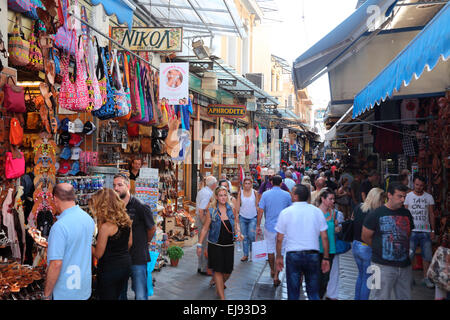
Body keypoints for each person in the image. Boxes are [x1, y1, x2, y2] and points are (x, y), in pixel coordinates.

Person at [275, 184, 330, 300]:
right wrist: (326, 257)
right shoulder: (317, 212)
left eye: (292, 192)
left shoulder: (286, 212)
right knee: (313, 291)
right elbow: (324, 237)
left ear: (295, 196)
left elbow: (279, 238)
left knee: (293, 292)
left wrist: (279, 256)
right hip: (312, 254)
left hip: (293, 255)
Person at [362, 183, 414, 300]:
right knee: (379, 296)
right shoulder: (376, 214)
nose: (402, 200)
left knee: (405, 296)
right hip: (381, 265)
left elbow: (408, 234)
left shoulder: (406, 213)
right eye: (399, 196)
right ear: (389, 195)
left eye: (404, 197)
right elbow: (365, 236)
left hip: (404, 266)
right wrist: (380, 248)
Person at [44, 183, 95, 300]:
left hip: (65, 291)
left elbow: (56, 264)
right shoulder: (88, 219)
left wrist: (46, 295)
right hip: (84, 288)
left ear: (55, 199)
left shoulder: (59, 227)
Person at [113, 173, 156, 300]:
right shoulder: (115, 207)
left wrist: (145, 242)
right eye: (114, 185)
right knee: (120, 293)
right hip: (120, 257)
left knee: (140, 293)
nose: (116, 188)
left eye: (120, 185)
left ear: (128, 186)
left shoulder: (140, 206)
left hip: (137, 256)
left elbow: (152, 228)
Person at [196, 186, 243, 300]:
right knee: (218, 270)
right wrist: (199, 244)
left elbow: (236, 222)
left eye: (225, 195)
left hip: (229, 244)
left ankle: (219, 285)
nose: (223, 197)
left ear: (227, 196)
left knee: (228, 271)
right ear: (216, 197)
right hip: (215, 244)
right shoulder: (212, 211)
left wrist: (238, 232)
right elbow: (205, 228)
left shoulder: (231, 209)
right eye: (220, 195)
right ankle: (222, 297)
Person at [90, 188, 133, 300]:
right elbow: (129, 242)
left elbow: (98, 254)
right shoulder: (127, 220)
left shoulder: (106, 227)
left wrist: (86, 244)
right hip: (125, 264)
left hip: (109, 268)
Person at [257, 175, 292, 287]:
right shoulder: (287, 195)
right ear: (281, 183)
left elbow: (260, 210)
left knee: (270, 250)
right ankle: (276, 275)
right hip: (283, 228)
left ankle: (272, 270)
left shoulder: (266, 194)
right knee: (280, 252)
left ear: (271, 183)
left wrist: (258, 225)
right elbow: (290, 210)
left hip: (269, 226)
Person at [351, 187, 385, 300]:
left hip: (356, 245)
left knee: (361, 275)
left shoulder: (358, 207)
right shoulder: (374, 213)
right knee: (368, 278)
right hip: (366, 246)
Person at [404, 175, 436, 289]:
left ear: (424, 185)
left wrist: (433, 230)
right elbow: (405, 213)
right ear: (413, 183)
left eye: (421, 185)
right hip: (411, 230)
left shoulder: (429, 197)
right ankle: (408, 278)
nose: (418, 187)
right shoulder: (408, 196)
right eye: (417, 185)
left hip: (425, 230)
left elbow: (431, 214)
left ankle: (426, 278)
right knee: (410, 255)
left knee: (427, 256)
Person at [315, 189, 340, 299]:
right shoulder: (315, 213)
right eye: (330, 199)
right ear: (323, 199)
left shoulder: (334, 212)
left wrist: (337, 228)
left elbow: (334, 228)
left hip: (330, 249)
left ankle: (319, 296)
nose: (333, 201)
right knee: (316, 277)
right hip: (317, 248)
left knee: (325, 278)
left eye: (333, 199)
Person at [195, 176, 217, 275]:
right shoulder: (208, 193)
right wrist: (205, 223)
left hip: (201, 218)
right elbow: (202, 210)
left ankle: (200, 266)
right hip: (203, 219)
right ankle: (204, 268)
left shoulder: (203, 191)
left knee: (202, 242)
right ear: (213, 185)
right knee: (204, 243)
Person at [236, 177, 259, 262]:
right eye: (246, 183)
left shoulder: (255, 192)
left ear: (251, 184)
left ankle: (253, 254)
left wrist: (259, 219)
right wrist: (236, 216)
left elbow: (257, 205)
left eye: (249, 183)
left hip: (253, 217)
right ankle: (245, 254)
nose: (247, 185)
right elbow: (238, 205)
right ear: (243, 184)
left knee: (251, 236)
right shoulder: (240, 193)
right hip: (242, 217)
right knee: (244, 236)